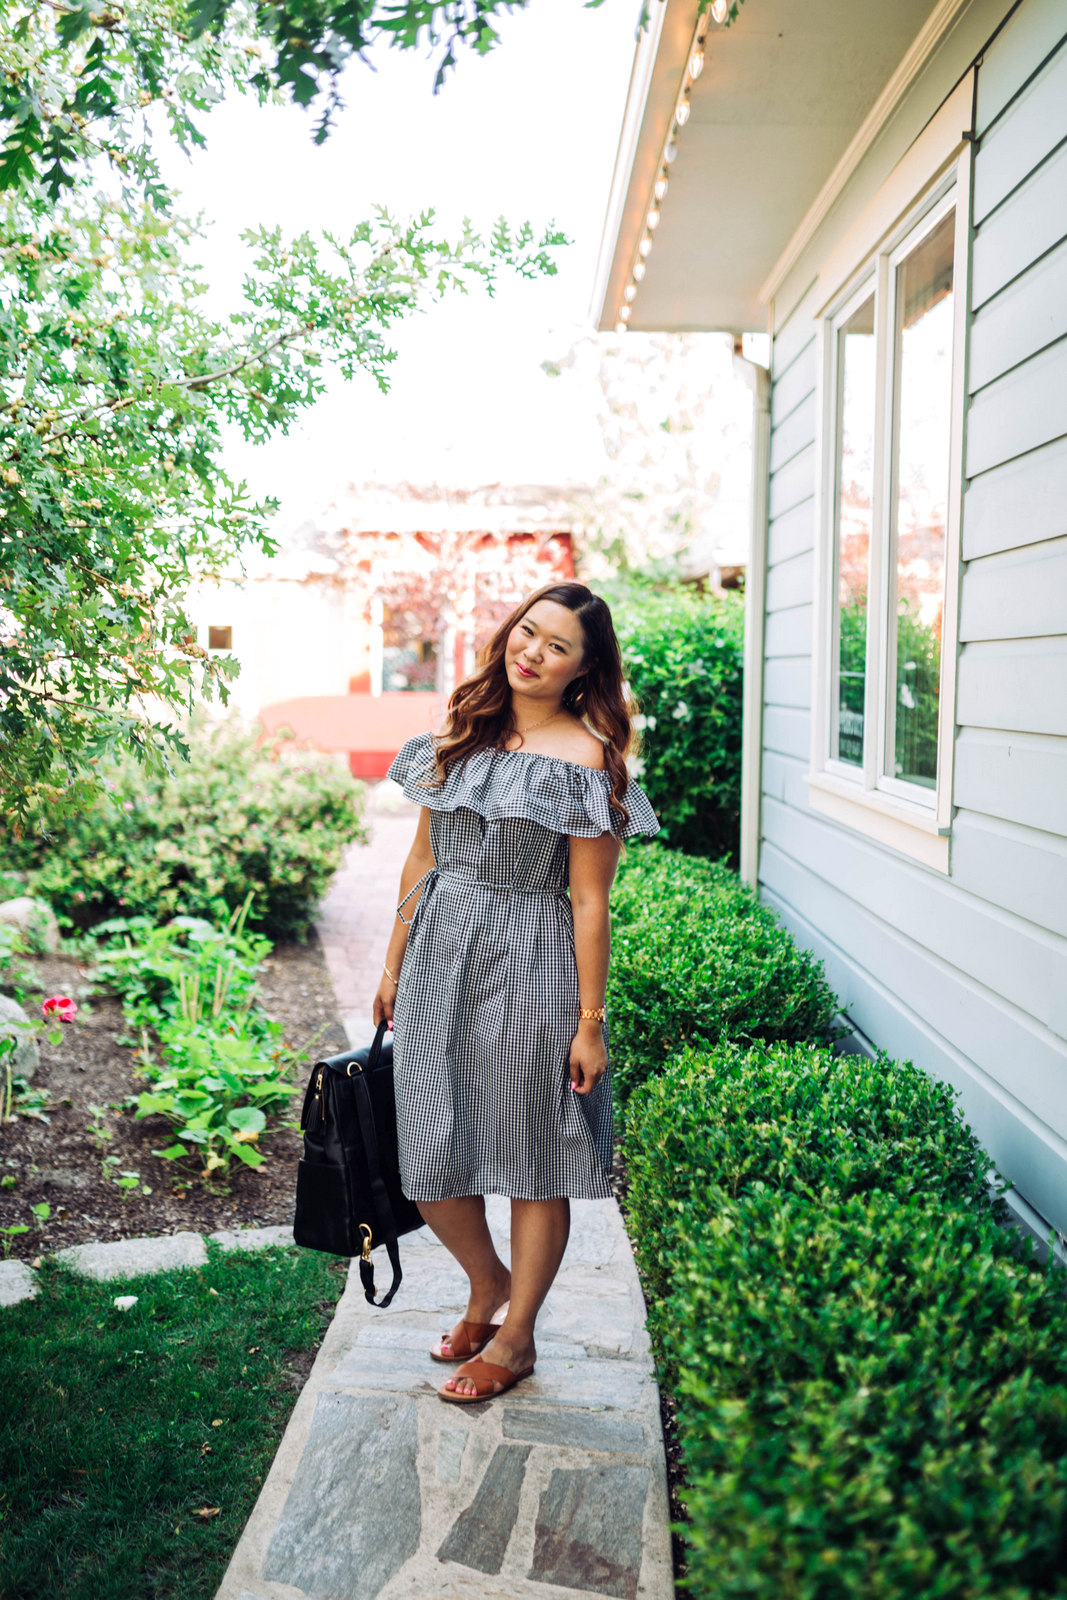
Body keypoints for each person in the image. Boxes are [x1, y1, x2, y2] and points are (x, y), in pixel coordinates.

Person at [372, 581, 659, 1403]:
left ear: (583, 669)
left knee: (533, 1160)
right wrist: (391, 967)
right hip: (437, 954)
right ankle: (485, 1283)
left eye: (556, 646)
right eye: (526, 633)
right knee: (426, 1154)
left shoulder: (587, 759)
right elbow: (419, 862)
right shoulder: (457, 732)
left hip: (531, 960)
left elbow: (589, 901)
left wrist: (590, 1022)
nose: (531, 652)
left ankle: (517, 1337)